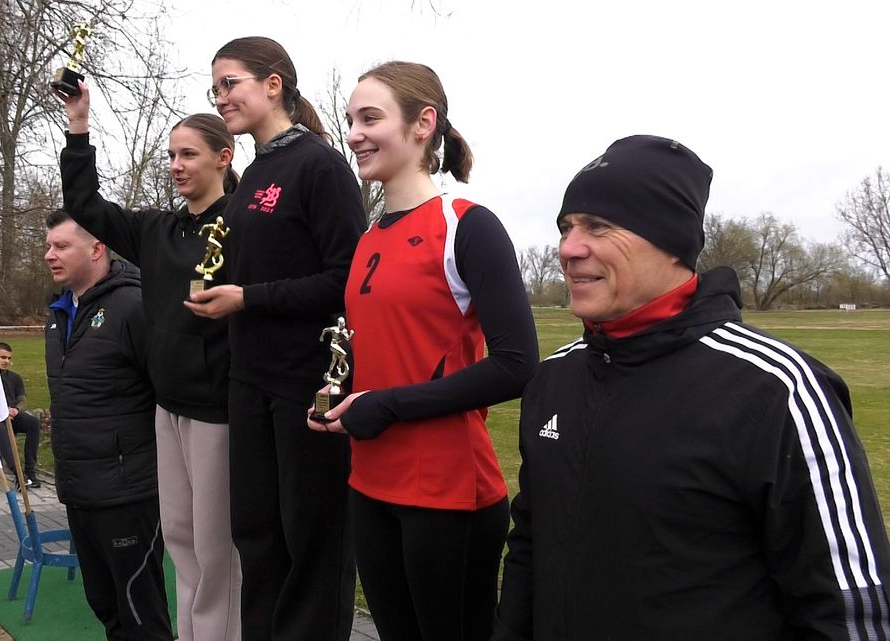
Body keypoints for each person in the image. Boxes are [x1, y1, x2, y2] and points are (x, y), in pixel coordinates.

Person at [491, 135, 890, 640]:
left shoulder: (776, 388)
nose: (568, 249)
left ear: (670, 242)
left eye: (599, 227)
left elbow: (849, 609)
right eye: (566, 228)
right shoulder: (554, 379)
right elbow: (530, 545)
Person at [305, 61, 538, 641]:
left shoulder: (468, 226)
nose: (354, 133)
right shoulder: (367, 236)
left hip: (447, 490)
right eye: (350, 120)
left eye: (370, 118)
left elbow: (517, 365)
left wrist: (385, 406)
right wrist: (339, 398)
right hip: (368, 482)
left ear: (421, 124)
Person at [184, 36, 366, 641]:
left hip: (307, 388)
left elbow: (348, 280)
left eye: (230, 82)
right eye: (215, 87)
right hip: (249, 381)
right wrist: (222, 291)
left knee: (311, 545)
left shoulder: (320, 167)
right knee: (256, 539)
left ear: (273, 84)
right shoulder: (253, 171)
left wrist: (248, 298)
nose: (221, 96)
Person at [56, 80, 241, 641]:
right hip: (169, 410)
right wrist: (79, 127)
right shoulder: (156, 230)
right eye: (170, 155)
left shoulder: (246, 224)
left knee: (217, 552)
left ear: (223, 157)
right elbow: (85, 205)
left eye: (188, 154)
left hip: (221, 412)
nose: (176, 166)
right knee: (182, 545)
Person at [43, 209, 171, 640]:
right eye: (48, 246)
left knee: (141, 612)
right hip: (79, 489)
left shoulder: (133, 306)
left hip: (128, 493)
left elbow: (168, 391)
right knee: (106, 607)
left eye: (61, 246)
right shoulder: (59, 314)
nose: (49, 255)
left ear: (97, 248)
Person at [0, 342, 42, 488]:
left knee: (33, 423)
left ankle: (30, 470)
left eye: (9, 358)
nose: (6, 361)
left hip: (12, 415)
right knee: (0, 429)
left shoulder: (14, 378)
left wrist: (16, 410)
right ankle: (17, 473)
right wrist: (2, 411)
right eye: (2, 357)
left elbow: (22, 399)